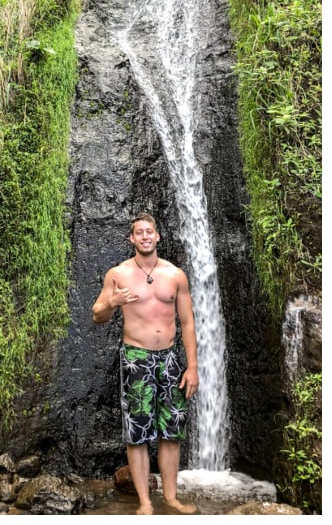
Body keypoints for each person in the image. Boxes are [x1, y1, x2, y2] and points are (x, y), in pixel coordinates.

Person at [91, 213, 199, 515]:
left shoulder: (175, 275)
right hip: (136, 358)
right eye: (139, 233)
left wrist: (192, 367)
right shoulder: (118, 274)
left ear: (158, 236)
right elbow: (97, 314)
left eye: (149, 231)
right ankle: (145, 502)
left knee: (171, 430)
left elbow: (188, 323)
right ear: (132, 239)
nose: (145, 236)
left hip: (170, 358)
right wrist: (112, 302)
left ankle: (171, 498)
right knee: (137, 431)